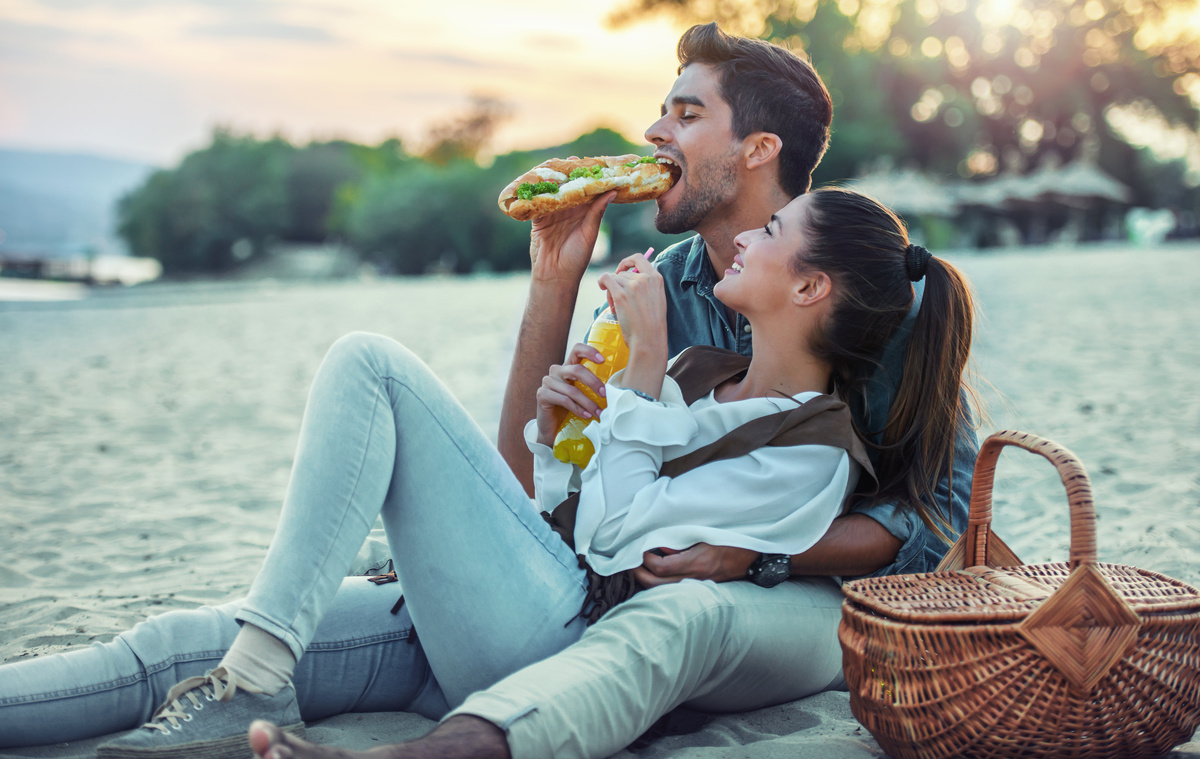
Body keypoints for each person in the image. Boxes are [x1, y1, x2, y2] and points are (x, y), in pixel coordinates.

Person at [251, 22, 980, 759]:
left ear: (759, 149)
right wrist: (554, 281)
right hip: (622, 588)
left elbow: (942, 518)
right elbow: (534, 493)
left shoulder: (882, 299)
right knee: (280, 623)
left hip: (799, 606)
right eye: (664, 111)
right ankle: (248, 670)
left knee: (681, 617)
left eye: (687, 114)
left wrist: (757, 554)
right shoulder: (655, 285)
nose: (654, 132)